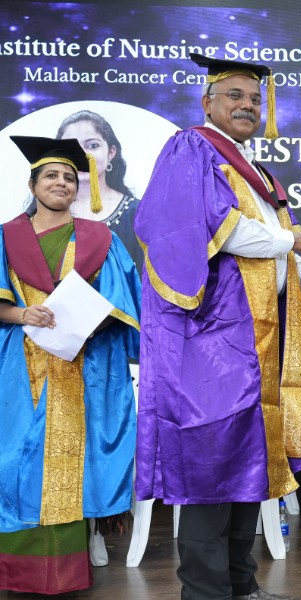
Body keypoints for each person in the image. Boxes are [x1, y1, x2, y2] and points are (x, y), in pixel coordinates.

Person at [133, 54, 301, 600]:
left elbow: (276, 254)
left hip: (256, 340)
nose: (248, 105)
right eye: (235, 95)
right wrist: (297, 240)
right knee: (211, 464)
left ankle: (240, 585)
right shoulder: (192, 149)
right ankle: (205, 592)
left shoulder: (258, 174)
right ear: (207, 102)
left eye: (255, 99)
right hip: (210, 336)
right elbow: (218, 229)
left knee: (246, 462)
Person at [0, 136, 140, 593]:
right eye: (51, 176)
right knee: (16, 464)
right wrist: (23, 314)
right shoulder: (4, 237)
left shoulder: (101, 239)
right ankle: (17, 574)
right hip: (19, 365)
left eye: (68, 177)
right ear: (33, 185)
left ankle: (63, 576)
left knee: (71, 462)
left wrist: (84, 324)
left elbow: (122, 303)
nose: (61, 183)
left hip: (85, 364)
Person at [56, 110, 144, 271]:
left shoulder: (138, 213)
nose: (81, 155)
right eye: (70, 147)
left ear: (111, 152)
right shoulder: (45, 210)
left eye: (92, 146)